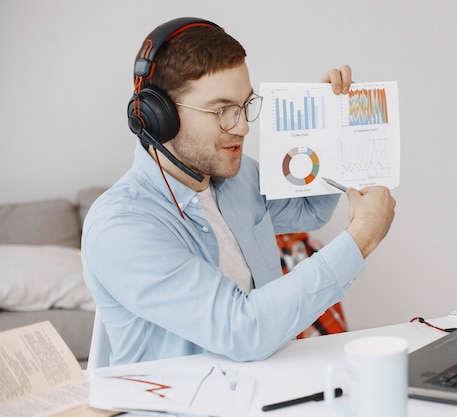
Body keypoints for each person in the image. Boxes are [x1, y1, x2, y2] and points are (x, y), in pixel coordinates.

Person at [82, 17, 395, 365]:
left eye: (245, 105)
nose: (243, 126)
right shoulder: (121, 227)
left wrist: (328, 123)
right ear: (160, 115)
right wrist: (360, 240)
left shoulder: (239, 175)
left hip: (270, 385)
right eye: (222, 110)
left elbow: (311, 212)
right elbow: (241, 329)